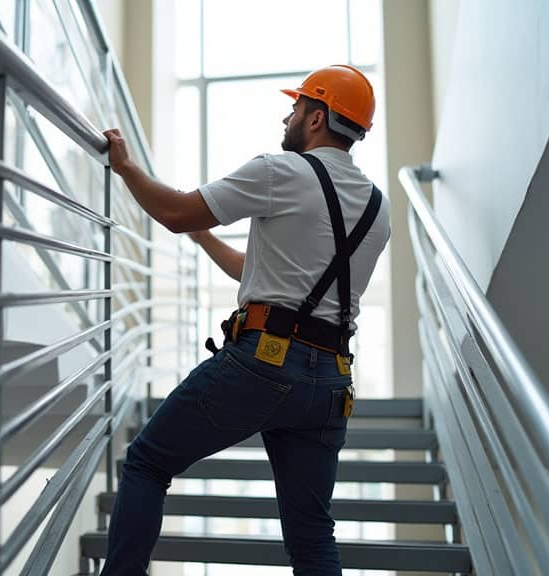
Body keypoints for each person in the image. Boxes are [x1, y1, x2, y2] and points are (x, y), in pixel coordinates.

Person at [99, 64, 391, 575]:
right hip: (330, 383)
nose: (289, 115)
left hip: (263, 364)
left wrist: (127, 169)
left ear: (318, 116)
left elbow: (173, 212)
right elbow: (261, 273)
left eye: (297, 106)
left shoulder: (280, 172)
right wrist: (206, 237)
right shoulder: (376, 206)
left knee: (147, 463)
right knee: (312, 536)